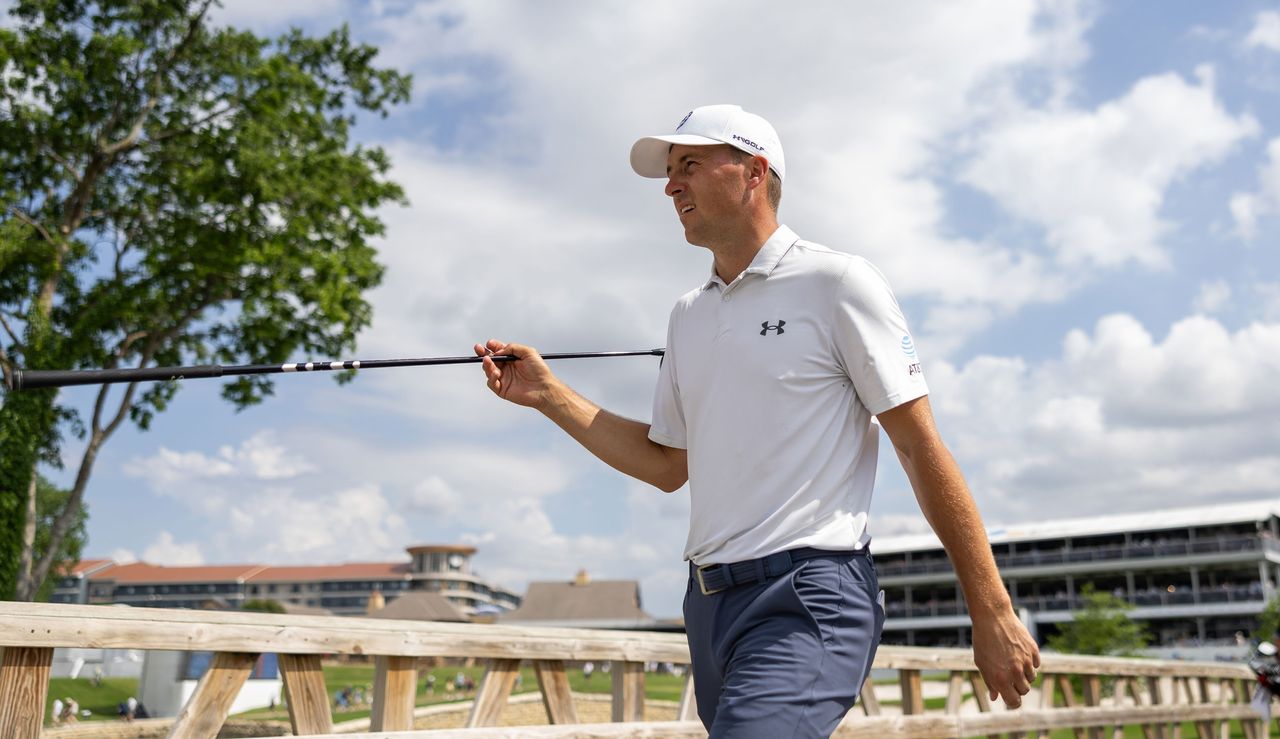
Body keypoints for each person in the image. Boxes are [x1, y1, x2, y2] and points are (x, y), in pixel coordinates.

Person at [476, 103, 1040, 737]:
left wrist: (991, 610)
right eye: (669, 171)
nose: (670, 185)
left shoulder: (839, 283)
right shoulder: (687, 315)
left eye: (688, 164)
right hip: (709, 605)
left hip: (809, 594)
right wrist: (550, 394)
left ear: (753, 172)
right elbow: (667, 466)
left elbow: (918, 446)